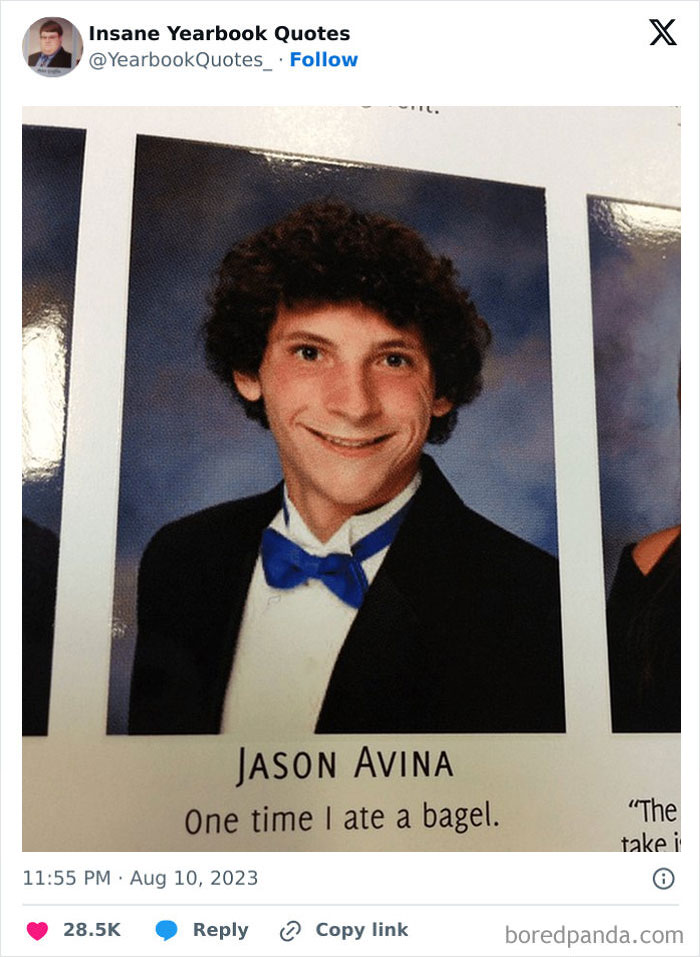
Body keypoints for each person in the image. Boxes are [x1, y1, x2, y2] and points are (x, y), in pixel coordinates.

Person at [128, 201, 565, 735]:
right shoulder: (182, 561)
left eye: (393, 359)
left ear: (442, 391)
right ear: (249, 371)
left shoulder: (535, 604)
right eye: (311, 354)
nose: (355, 405)